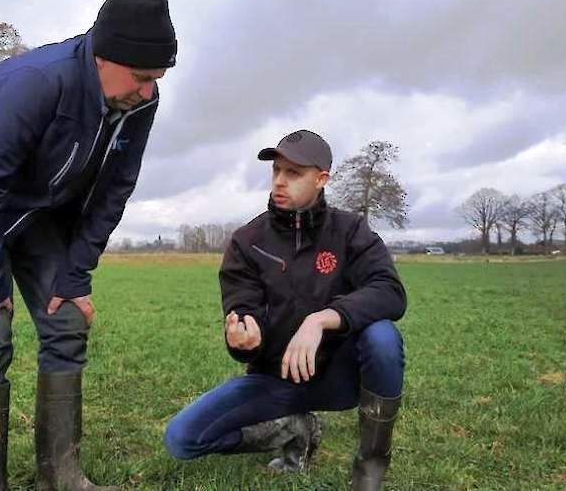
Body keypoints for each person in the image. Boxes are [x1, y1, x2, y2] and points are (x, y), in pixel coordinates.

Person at [0, 0, 176, 491]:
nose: (148, 91)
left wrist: (75, 275)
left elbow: (112, 191)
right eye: (140, 77)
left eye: (157, 80)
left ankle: (60, 476)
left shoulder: (139, 101)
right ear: (103, 55)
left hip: (40, 207)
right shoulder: (39, 80)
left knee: (66, 322)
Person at [163, 130, 407, 490]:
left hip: (341, 378)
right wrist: (242, 336)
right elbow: (240, 309)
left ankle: (370, 466)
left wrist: (322, 319)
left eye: (293, 173)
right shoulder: (247, 242)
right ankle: (293, 428)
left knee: (383, 336)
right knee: (182, 438)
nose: (279, 181)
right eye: (276, 170)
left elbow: (390, 292)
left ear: (321, 179)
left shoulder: (350, 231)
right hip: (277, 378)